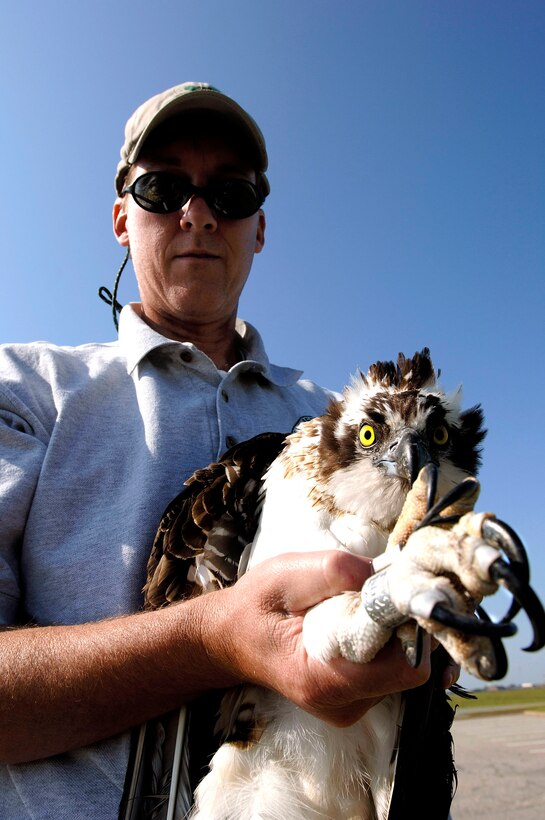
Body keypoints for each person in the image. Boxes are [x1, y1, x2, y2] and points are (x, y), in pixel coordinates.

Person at [0, 82, 456, 819]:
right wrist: (208, 644)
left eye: (231, 193)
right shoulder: (24, 391)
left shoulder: (346, 424)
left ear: (259, 229)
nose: (198, 212)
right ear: (122, 218)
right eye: (163, 186)